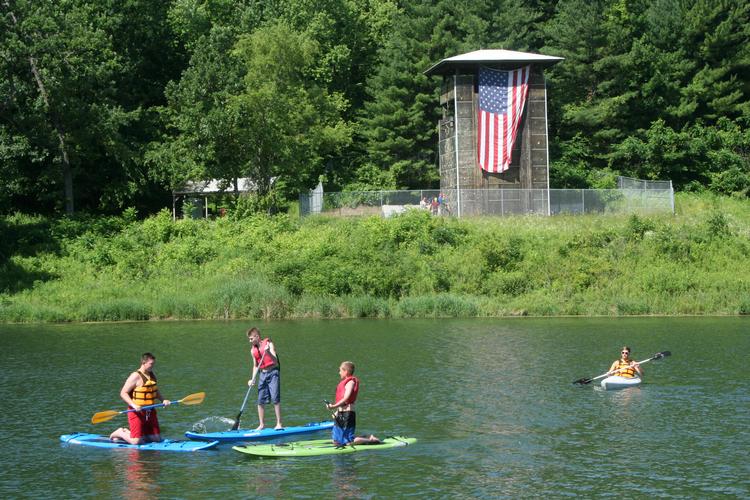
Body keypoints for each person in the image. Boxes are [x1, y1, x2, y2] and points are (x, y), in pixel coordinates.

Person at [109, 352, 170, 444]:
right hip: (136, 412)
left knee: (157, 439)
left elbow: (154, 391)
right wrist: (134, 405)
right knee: (136, 441)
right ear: (143, 363)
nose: (153, 366)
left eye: (153, 364)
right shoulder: (135, 376)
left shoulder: (152, 375)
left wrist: (163, 400)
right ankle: (120, 432)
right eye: (151, 364)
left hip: (150, 411)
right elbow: (123, 393)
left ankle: (134, 434)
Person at [325, 361, 380, 446]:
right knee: (336, 441)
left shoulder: (351, 382)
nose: (339, 372)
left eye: (340, 370)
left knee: (348, 442)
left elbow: (346, 398)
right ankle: (366, 436)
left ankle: (370, 440)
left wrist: (333, 406)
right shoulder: (344, 382)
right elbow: (342, 401)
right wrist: (336, 411)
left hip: (348, 413)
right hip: (340, 413)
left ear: (345, 371)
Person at [247, 327, 283, 430]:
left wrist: (268, 353)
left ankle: (279, 423)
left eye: (251, 339)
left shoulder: (269, 344)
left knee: (275, 398)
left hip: (273, 372)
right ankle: (261, 424)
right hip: (262, 374)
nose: (250, 341)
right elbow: (255, 365)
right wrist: (252, 378)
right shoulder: (252, 350)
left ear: (257, 337)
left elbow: (275, 361)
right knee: (260, 400)